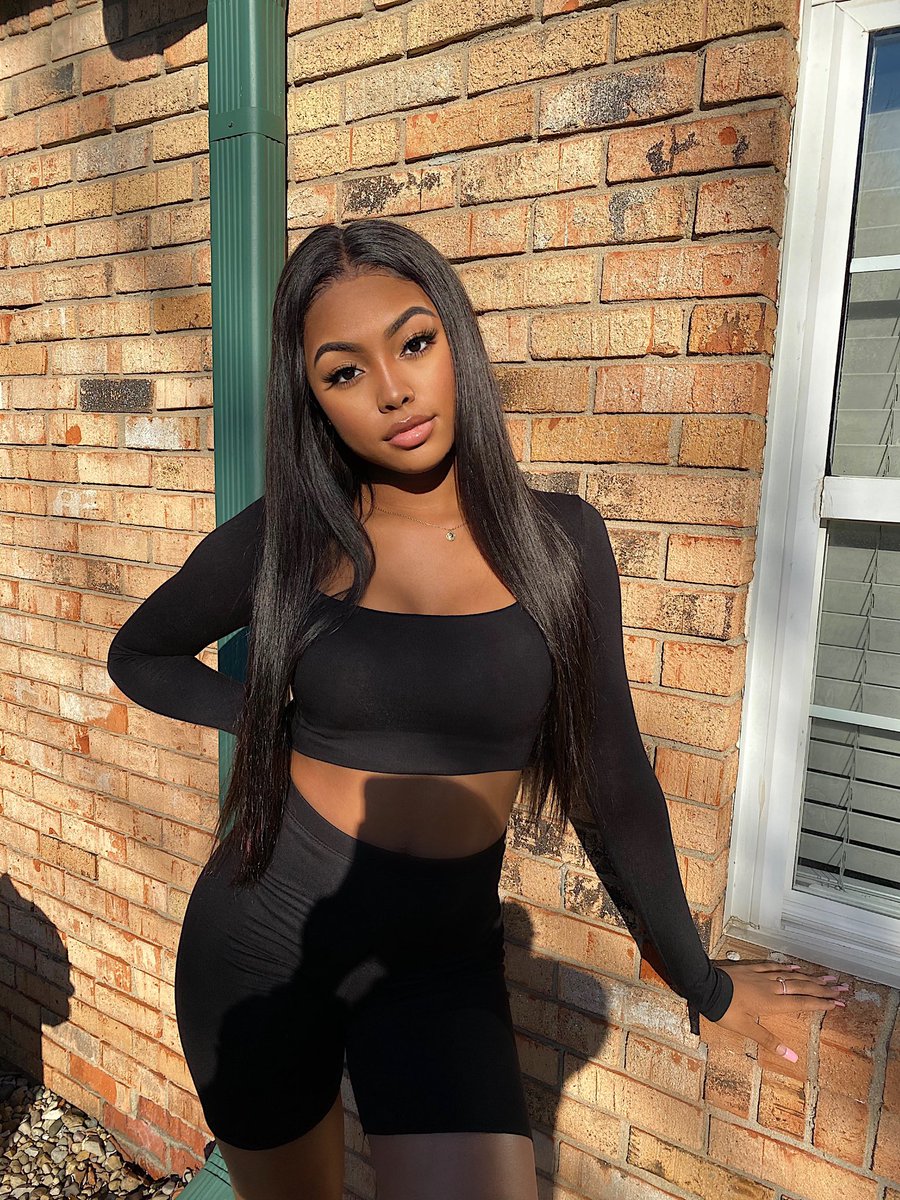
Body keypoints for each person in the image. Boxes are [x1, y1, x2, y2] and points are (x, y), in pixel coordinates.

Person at [106, 218, 850, 1200]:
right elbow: (140, 654)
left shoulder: (560, 543)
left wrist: (701, 981)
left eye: (413, 343)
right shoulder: (288, 537)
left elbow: (612, 783)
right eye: (344, 372)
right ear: (313, 399)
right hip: (263, 938)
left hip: (441, 962)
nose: (392, 389)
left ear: (453, 339)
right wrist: (265, 721)